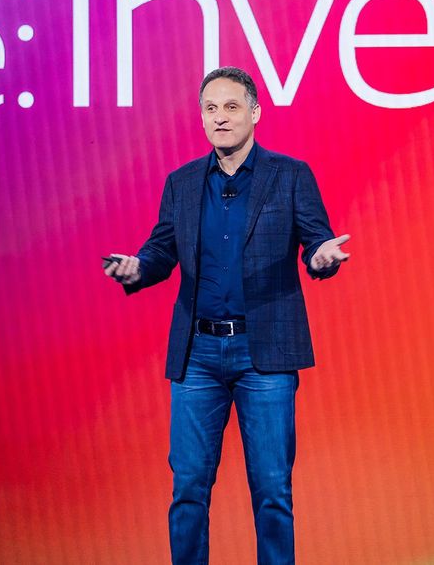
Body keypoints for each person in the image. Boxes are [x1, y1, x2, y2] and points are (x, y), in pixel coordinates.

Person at [103, 66, 349, 564]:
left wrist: (321, 259)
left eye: (232, 107)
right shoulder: (182, 183)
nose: (221, 118)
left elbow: (316, 240)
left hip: (266, 356)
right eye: (211, 108)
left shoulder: (291, 175)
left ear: (255, 113)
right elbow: (160, 251)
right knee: (189, 488)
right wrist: (136, 269)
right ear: (201, 117)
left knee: (273, 491)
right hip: (197, 357)